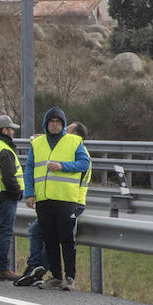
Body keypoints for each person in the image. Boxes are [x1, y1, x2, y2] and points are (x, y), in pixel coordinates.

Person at [25, 107, 91, 291]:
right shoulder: (37, 144)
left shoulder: (74, 142)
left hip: (65, 198)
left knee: (66, 239)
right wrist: (29, 194)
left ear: (62, 124)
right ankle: (55, 276)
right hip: (44, 198)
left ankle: (70, 277)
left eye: (58, 122)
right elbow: (29, 169)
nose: (54, 125)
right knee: (50, 239)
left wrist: (62, 166)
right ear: (46, 124)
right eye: (51, 121)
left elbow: (84, 163)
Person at [0, 115, 25, 280]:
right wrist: (16, 193)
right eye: (11, 129)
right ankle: (3, 268)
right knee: (4, 231)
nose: (12, 132)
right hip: (5, 195)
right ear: (4, 130)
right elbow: (9, 176)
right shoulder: (4, 148)